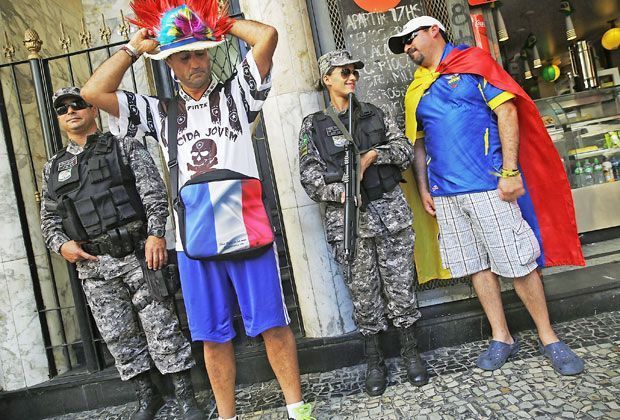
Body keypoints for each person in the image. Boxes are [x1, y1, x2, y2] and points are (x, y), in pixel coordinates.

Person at [80, 1, 312, 419]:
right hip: (194, 241)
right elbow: (93, 94)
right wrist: (135, 49)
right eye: (183, 56)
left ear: (210, 52)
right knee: (212, 336)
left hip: (249, 230)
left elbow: (268, 37)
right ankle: (227, 417)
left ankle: (298, 410)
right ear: (170, 65)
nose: (194, 63)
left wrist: (224, 23)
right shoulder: (160, 111)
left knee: (273, 325)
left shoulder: (238, 96)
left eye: (200, 52)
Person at [387, 16, 585, 375]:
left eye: (410, 38)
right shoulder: (416, 88)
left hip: (489, 186)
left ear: (434, 31)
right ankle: (501, 336)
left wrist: (510, 172)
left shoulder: (474, 64)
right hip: (446, 195)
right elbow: (418, 143)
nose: (407, 47)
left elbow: (507, 111)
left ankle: (549, 337)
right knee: (473, 265)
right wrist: (423, 187)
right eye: (402, 44)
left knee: (518, 262)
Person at [40, 87, 202, 420]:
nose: (71, 111)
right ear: (58, 118)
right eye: (62, 109)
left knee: (162, 327)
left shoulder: (124, 147)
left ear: (93, 110)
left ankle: (186, 396)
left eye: (78, 104)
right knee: (118, 336)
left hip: (137, 256)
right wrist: (61, 245)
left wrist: (157, 234)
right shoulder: (53, 168)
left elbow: (155, 196)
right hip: (95, 266)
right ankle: (148, 395)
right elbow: (48, 220)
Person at [298, 49, 429, 396]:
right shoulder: (314, 125)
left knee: (401, 286)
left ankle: (411, 353)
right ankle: (375, 361)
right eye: (343, 72)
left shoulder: (376, 114)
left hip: (389, 215)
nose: (351, 76)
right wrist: (341, 189)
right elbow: (308, 176)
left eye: (354, 70)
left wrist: (373, 156)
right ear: (327, 79)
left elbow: (403, 151)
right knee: (364, 295)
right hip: (349, 222)